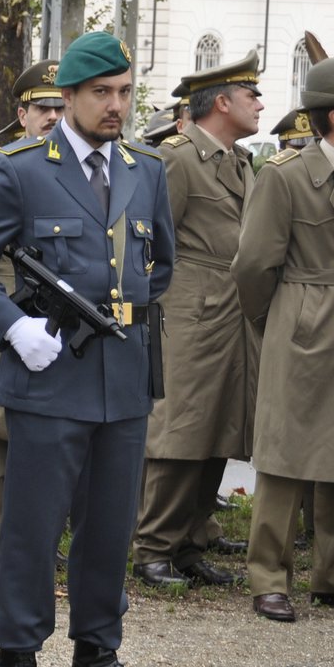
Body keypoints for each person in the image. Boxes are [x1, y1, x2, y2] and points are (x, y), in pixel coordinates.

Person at [0, 31, 177, 667]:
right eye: (101, 95)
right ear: (71, 99)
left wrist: (125, 306)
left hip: (122, 372)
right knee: (32, 527)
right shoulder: (23, 168)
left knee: (111, 526)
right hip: (51, 373)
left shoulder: (146, 168)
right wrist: (16, 326)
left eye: (122, 93)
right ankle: (17, 664)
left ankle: (97, 658)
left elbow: (161, 263)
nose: (115, 106)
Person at [232, 56, 334, 623]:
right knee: (285, 454)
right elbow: (253, 267)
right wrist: (277, 323)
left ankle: (333, 572)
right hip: (304, 319)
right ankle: (269, 578)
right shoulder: (285, 175)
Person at [131, 52, 262, 588]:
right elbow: (149, 241)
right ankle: (151, 547)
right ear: (222, 102)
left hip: (230, 309)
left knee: (219, 429)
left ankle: (189, 542)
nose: (259, 104)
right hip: (188, 308)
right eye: (250, 95)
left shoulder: (238, 160)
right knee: (179, 430)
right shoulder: (178, 158)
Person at [0, 60, 64, 567]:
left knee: (51, 424)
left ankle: (39, 538)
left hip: (61, 305)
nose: (52, 116)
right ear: (22, 114)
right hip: (9, 297)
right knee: (0, 423)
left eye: (59, 106)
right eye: (42, 108)